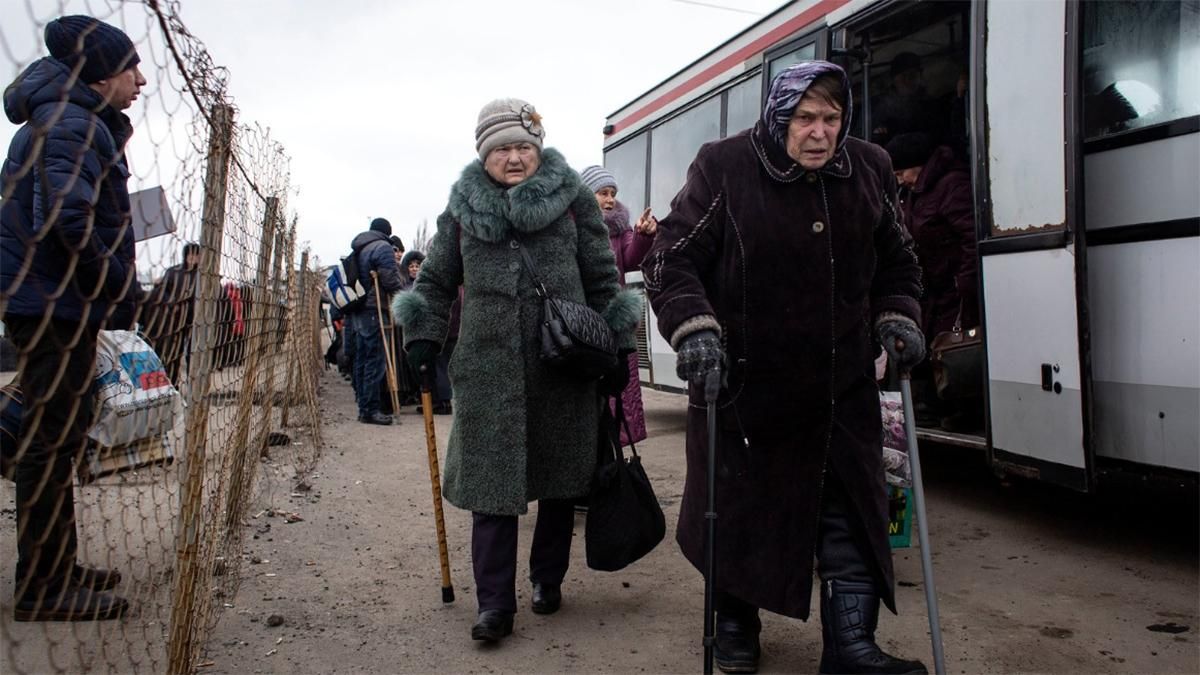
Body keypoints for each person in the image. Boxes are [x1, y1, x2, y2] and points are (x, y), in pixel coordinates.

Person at [642, 61, 927, 674]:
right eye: (805, 118)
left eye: (831, 118)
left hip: (842, 388)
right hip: (747, 386)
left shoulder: (869, 168)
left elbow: (898, 262)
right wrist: (694, 328)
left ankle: (851, 646)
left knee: (852, 509)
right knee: (744, 513)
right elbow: (669, 259)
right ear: (778, 116)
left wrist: (897, 315)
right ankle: (735, 624)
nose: (820, 132)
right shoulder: (725, 166)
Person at [394, 98, 640, 644]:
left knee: (558, 480)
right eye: (502, 148)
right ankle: (495, 606)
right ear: (483, 154)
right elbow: (434, 281)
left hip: (563, 363)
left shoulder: (574, 200)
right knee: (491, 486)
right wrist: (423, 334)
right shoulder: (463, 209)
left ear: (539, 148)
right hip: (487, 369)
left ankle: (546, 578)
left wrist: (620, 348)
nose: (513, 158)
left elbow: (604, 279)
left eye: (523, 147)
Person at [0, 14, 146, 621]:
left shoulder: (71, 118)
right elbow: (69, 222)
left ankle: (55, 566)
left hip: (49, 298)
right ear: (100, 74)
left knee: (58, 436)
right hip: (51, 301)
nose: (140, 79)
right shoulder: (70, 124)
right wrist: (121, 290)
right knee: (49, 440)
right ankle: (43, 586)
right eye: (129, 68)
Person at [885, 132, 981, 432]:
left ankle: (963, 411)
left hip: (954, 289)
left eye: (902, 172)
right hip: (929, 289)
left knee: (951, 349)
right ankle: (932, 409)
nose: (901, 180)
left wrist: (965, 282)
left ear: (920, 165)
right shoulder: (916, 193)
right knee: (927, 349)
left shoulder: (952, 186)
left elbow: (971, 236)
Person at [579, 164, 655, 446]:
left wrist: (643, 236)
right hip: (582, 322)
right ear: (587, 194)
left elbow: (634, 258)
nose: (610, 199)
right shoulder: (573, 228)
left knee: (619, 391)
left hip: (616, 322)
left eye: (613, 193)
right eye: (603, 193)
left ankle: (615, 450)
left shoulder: (621, 230)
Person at [347, 217, 404, 425]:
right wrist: (402, 293)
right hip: (374, 307)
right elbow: (389, 279)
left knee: (363, 357)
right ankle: (371, 409)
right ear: (387, 232)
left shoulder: (361, 247)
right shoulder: (383, 247)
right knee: (375, 358)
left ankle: (364, 406)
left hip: (359, 308)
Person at [145, 241, 200, 385]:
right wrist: (172, 303)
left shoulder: (202, 276)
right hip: (174, 319)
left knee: (193, 355)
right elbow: (162, 291)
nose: (193, 258)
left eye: (196, 255)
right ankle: (172, 384)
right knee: (174, 353)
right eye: (190, 254)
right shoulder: (174, 272)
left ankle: (192, 386)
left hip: (195, 319)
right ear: (185, 255)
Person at [871, 51, 936, 147]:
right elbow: (861, 138)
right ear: (894, 79)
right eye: (903, 76)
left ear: (920, 77)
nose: (908, 81)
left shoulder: (930, 105)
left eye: (912, 76)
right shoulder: (878, 105)